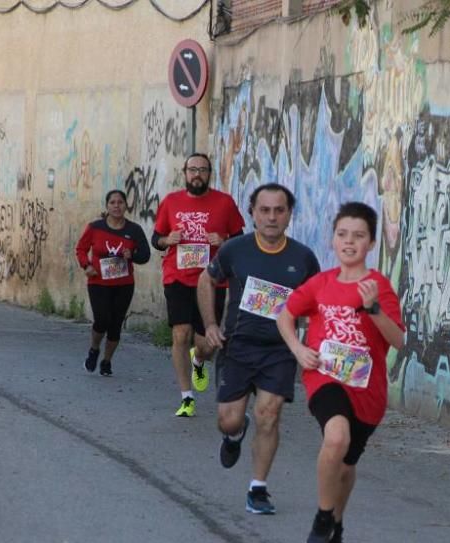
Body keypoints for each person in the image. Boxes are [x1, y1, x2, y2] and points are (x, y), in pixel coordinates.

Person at [277, 202, 405, 543]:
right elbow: (285, 317)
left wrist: (374, 310)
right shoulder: (320, 283)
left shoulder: (379, 287)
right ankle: (321, 516)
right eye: (342, 234)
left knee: (346, 467)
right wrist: (299, 349)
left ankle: (336, 521)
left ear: (371, 243)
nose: (349, 242)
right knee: (336, 438)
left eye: (359, 236)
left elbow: (398, 341)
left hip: (367, 390)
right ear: (333, 239)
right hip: (324, 377)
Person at [199, 183, 320, 514]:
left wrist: (310, 346)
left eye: (279, 210)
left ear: (289, 215)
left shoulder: (303, 258)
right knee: (228, 420)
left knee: (269, 414)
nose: (271, 217)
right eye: (264, 210)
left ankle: (258, 489)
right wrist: (210, 325)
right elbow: (206, 280)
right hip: (237, 346)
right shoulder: (235, 250)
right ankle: (235, 435)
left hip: (279, 351)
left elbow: (317, 304)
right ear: (252, 213)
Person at [152, 153, 245, 417]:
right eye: (192, 169)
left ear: (209, 174)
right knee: (180, 333)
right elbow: (155, 238)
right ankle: (186, 397)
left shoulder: (225, 203)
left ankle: (199, 360)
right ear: (184, 173)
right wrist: (167, 240)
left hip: (212, 279)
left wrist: (223, 240)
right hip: (177, 276)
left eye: (202, 170)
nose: (197, 174)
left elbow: (240, 241)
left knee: (208, 344)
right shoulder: (171, 202)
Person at [75, 189, 150, 376]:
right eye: (113, 203)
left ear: (126, 205)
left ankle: (107, 361)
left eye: (120, 202)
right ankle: (94, 350)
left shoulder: (134, 230)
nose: (117, 206)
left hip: (123, 284)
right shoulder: (95, 227)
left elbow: (145, 255)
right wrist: (86, 265)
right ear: (107, 206)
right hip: (98, 282)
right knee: (102, 319)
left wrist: (131, 255)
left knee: (115, 325)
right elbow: (81, 249)